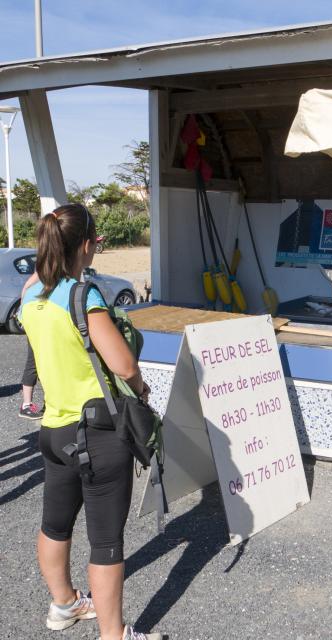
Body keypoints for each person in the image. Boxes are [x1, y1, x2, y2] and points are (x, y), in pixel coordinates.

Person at [20, 204, 161, 640]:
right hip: (97, 433)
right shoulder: (83, 296)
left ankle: (63, 604)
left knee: (55, 524)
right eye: (96, 242)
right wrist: (141, 388)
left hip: (54, 429)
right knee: (106, 542)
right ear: (85, 244)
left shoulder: (31, 294)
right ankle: (114, 635)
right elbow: (121, 363)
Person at [19, 271, 44, 420]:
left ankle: (28, 404)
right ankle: (26, 405)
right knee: (34, 361)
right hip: (38, 321)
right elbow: (26, 287)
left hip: (34, 320)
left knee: (35, 361)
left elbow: (26, 288)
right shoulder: (43, 273)